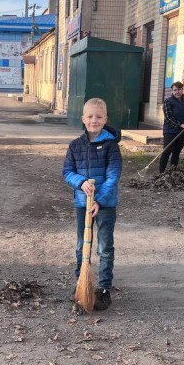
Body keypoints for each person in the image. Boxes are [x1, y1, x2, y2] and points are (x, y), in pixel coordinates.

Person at [62, 98, 122, 311]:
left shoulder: (111, 146)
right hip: (82, 204)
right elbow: (67, 172)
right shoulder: (75, 146)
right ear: (83, 119)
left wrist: (99, 200)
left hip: (105, 205)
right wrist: (81, 183)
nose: (94, 120)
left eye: (98, 117)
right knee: (82, 245)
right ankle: (82, 283)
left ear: (105, 119)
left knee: (104, 247)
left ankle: (103, 289)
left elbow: (113, 174)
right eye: (90, 116)